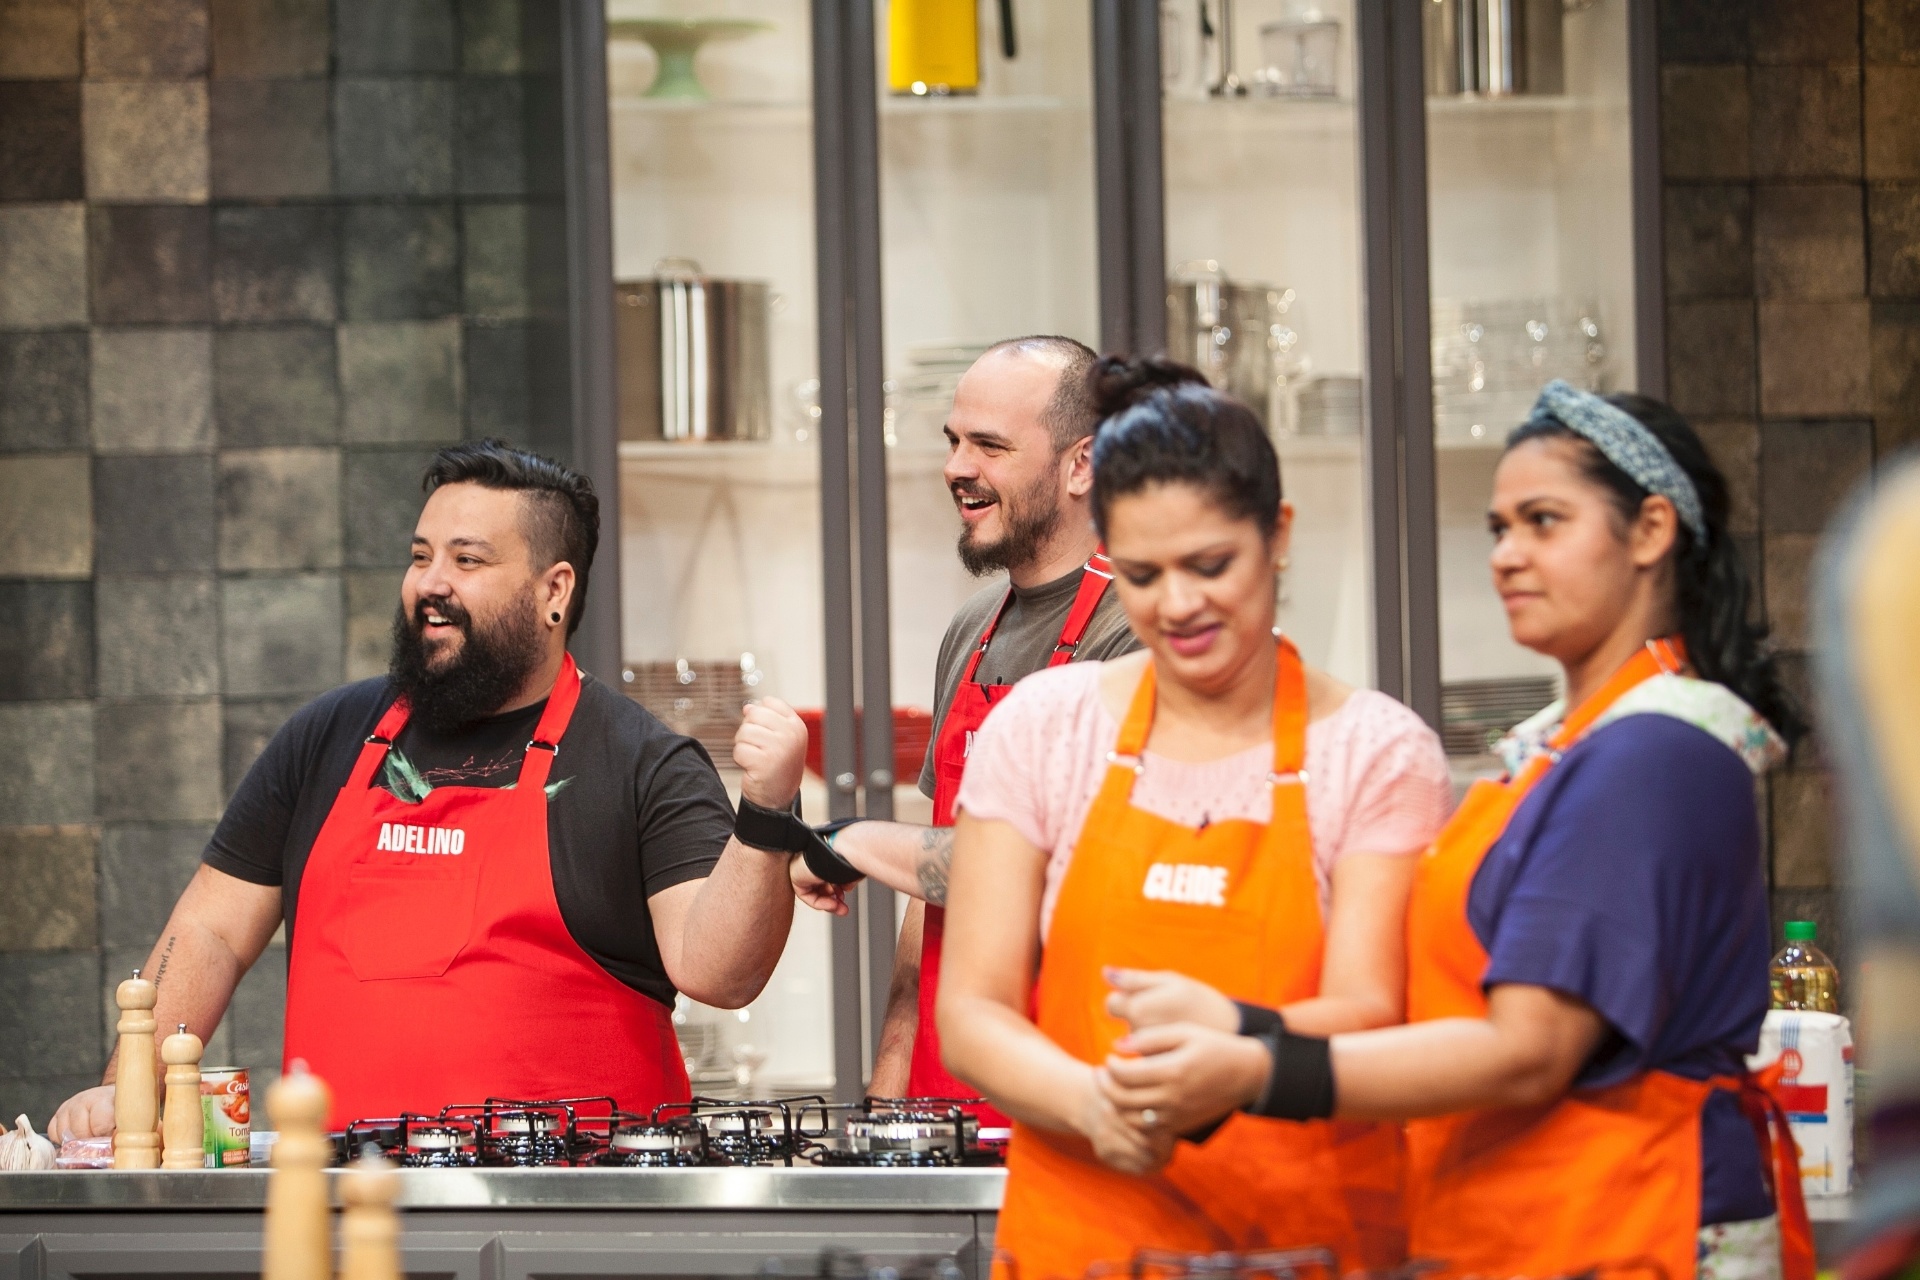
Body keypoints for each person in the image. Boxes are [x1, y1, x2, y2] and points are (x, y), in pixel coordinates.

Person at [1101, 382, 1816, 1280]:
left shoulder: (1654, 752)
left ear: (1650, 532)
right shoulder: (1562, 751)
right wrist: (1242, 1023)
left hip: (1629, 1226)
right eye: (1498, 529)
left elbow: (1527, 1050)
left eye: (1544, 522)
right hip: (1526, 1224)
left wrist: (1254, 1068)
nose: (1508, 556)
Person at [52, 439, 807, 1135]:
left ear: (556, 590)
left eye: (468, 561)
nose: (430, 584)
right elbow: (212, 929)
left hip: (573, 1223)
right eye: (421, 556)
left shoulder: (641, 763)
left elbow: (722, 973)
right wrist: (130, 1085)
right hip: (348, 1213)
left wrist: (767, 814)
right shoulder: (327, 738)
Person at [936, 358, 1453, 1275]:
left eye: (1210, 565)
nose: (1177, 606)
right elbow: (975, 1012)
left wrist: (1243, 1040)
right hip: (1082, 1239)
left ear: (1278, 535)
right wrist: (1094, 1103)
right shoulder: (1046, 730)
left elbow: (1373, 1012)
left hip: (1307, 1245)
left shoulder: (1375, 751)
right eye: (1142, 574)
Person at [790, 335, 1140, 1109]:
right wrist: (893, 1076)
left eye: (989, 445)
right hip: (944, 1094)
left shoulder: (1133, 632)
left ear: (1082, 464)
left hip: (1067, 1089)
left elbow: (1051, 862)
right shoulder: (974, 628)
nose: (955, 468)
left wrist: (851, 841)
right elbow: (933, 879)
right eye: (953, 441)